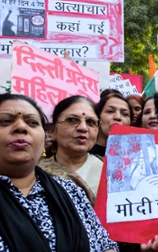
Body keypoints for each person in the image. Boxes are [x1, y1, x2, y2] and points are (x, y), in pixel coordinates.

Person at [0, 93, 118, 251]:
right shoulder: (49, 171)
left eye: (32, 122)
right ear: (52, 131)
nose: (21, 127)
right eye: (6, 121)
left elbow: (106, 245)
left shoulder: (72, 191)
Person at [38, 96, 101, 205]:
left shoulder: (111, 172)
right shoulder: (36, 175)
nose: (83, 128)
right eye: (72, 120)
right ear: (53, 130)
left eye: (90, 122)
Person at [90, 92, 132, 157]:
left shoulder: (134, 157)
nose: (118, 117)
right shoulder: (82, 151)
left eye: (124, 114)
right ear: (98, 117)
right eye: (110, 111)